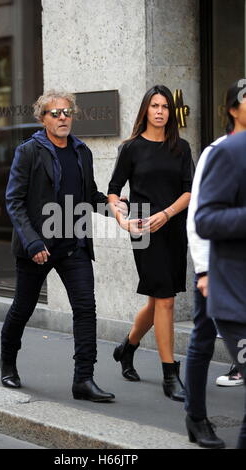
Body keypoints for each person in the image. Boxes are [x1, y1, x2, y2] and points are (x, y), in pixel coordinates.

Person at [0, 90, 126, 403]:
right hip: (37, 248)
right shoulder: (28, 152)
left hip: (74, 245)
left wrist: (115, 206)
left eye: (67, 112)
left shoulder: (82, 152)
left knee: (85, 309)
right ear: (42, 119)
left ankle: (83, 379)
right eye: (55, 113)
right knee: (23, 308)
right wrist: (32, 241)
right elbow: (14, 201)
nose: (62, 118)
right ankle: (8, 364)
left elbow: (90, 196)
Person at [108, 85, 194, 401]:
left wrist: (168, 214)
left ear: (171, 113)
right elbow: (114, 191)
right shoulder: (131, 148)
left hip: (173, 228)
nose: (160, 111)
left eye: (165, 107)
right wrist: (122, 219)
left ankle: (126, 348)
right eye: (154, 105)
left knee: (157, 300)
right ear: (145, 110)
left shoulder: (181, 148)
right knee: (166, 300)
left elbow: (189, 190)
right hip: (143, 228)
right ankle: (170, 374)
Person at [184, 80, 246, 449]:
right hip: (215, 270)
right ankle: (196, 416)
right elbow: (198, 218)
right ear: (232, 108)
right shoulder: (218, 151)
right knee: (202, 339)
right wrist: (204, 271)